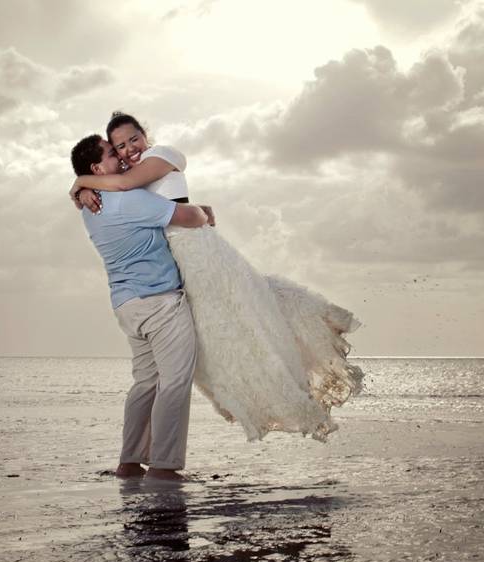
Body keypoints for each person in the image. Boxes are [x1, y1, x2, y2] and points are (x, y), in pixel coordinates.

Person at [70, 112, 363, 443]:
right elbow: (151, 199)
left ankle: (302, 349)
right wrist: (82, 187)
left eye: (133, 139)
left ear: (146, 135)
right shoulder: (128, 183)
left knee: (247, 306)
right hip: (175, 261)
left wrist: (81, 183)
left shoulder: (163, 155)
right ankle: (241, 398)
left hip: (193, 250)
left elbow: (131, 189)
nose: (128, 150)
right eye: (118, 147)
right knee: (220, 330)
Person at [70, 134, 211, 481]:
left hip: (126, 304)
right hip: (159, 301)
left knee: (146, 382)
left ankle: (130, 462)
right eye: (111, 153)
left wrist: (79, 187)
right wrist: (203, 211)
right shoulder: (128, 201)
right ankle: (163, 466)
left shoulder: (92, 207)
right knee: (175, 381)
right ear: (97, 167)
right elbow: (188, 217)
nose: (120, 157)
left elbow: (93, 188)